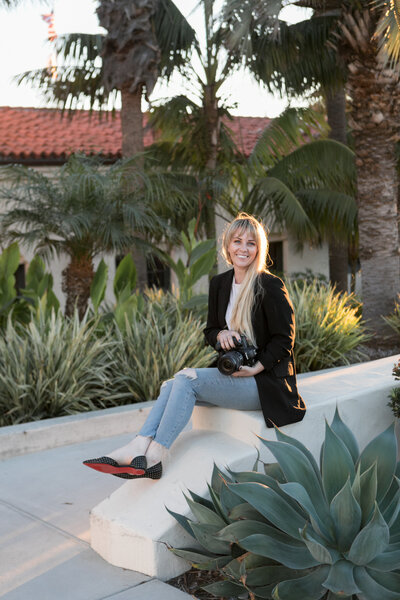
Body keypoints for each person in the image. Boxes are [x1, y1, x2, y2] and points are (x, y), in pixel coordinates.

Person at [83, 213, 306, 480]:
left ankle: (153, 456)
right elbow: (210, 330)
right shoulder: (220, 284)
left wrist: (256, 367)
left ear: (259, 249)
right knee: (171, 384)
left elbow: (285, 339)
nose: (243, 249)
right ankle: (139, 446)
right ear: (227, 246)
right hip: (234, 373)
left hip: (265, 384)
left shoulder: (269, 286)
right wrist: (220, 335)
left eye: (251, 243)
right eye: (237, 241)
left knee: (187, 380)